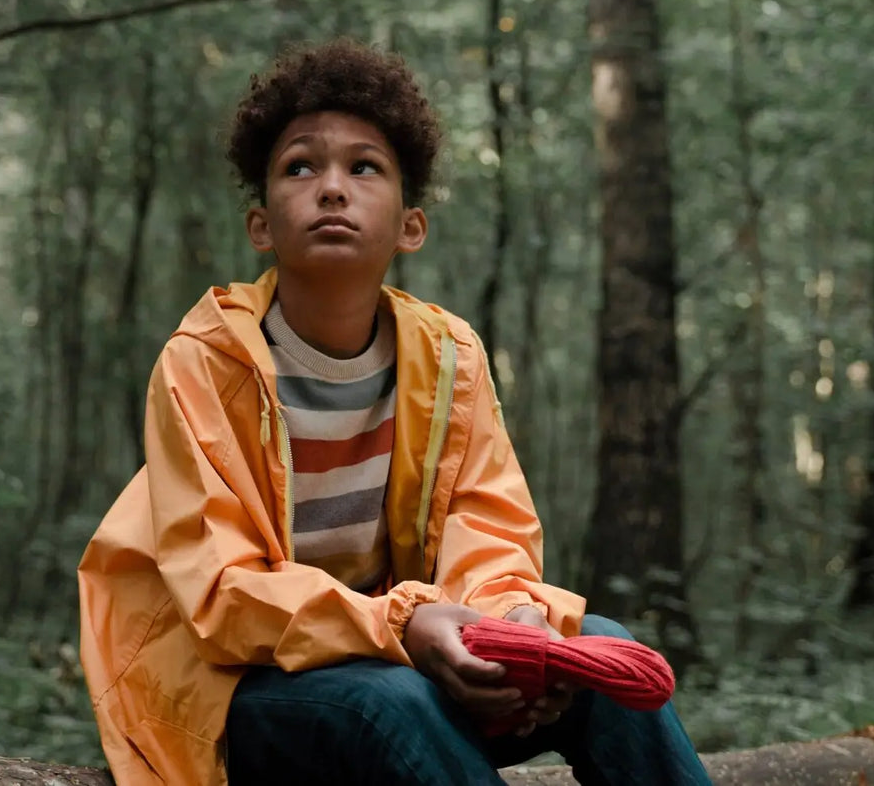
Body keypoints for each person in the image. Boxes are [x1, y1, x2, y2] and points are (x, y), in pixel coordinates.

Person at [77, 39, 712, 786]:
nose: (331, 188)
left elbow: (488, 527)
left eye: (364, 167)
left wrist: (513, 620)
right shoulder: (203, 361)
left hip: (387, 653)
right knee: (393, 702)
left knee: (599, 647)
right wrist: (404, 624)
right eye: (300, 167)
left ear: (411, 226)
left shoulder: (447, 358)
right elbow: (222, 592)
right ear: (261, 226)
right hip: (230, 685)